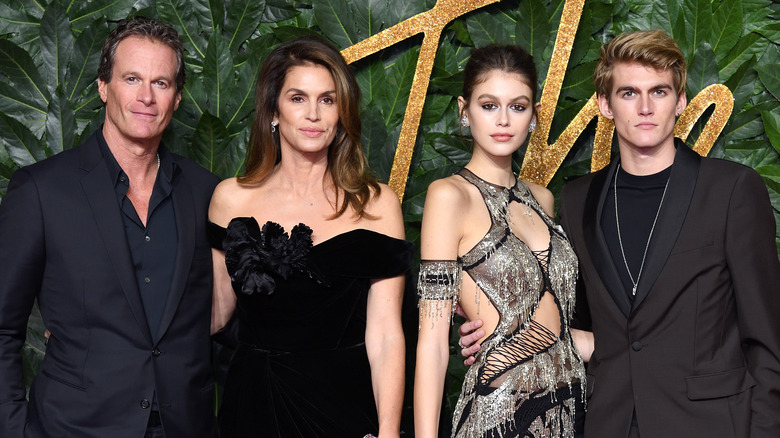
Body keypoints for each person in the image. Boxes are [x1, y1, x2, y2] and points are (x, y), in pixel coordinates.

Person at [460, 30, 780, 437]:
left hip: (709, 424)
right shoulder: (578, 199)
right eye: (628, 93)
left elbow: (768, 340)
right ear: (604, 105)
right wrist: (494, 322)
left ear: (680, 101)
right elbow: (569, 321)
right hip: (607, 421)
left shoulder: (731, 189)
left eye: (659, 92)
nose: (645, 108)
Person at [0, 17, 219, 438]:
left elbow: (227, 321)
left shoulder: (205, 191)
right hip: (74, 427)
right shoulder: (42, 191)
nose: (145, 97)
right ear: (104, 87)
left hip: (185, 427)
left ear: (176, 99)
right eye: (132, 78)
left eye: (161, 83)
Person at [208, 35, 413, 438]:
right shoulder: (230, 198)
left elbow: (387, 334)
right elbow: (215, 313)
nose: (314, 114)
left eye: (328, 99)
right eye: (298, 98)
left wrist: (389, 433)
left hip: (343, 406)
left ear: (341, 114)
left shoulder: (376, 204)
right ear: (273, 110)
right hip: (253, 404)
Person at [414, 44, 586, 438]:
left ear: (534, 114)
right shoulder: (449, 197)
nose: (504, 120)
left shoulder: (542, 199)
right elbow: (433, 342)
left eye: (518, 106)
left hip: (569, 412)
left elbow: (554, 322)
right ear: (464, 109)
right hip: (498, 418)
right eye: (489, 105)